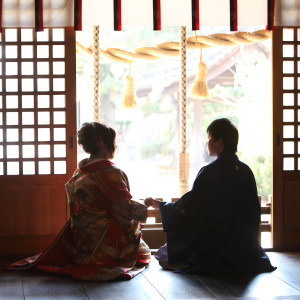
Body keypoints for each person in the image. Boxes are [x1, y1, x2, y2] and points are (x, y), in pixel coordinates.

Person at [8, 122, 151, 281]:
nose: (114, 146)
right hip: (102, 245)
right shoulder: (109, 173)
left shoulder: (81, 169)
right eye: (113, 142)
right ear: (102, 144)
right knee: (144, 253)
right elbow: (126, 209)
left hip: (81, 241)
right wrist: (145, 205)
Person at [145, 118, 276, 274]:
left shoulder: (210, 172)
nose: (206, 142)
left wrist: (161, 206)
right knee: (168, 254)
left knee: (163, 255)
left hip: (215, 251)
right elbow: (253, 213)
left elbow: (189, 208)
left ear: (219, 142)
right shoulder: (246, 171)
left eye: (208, 138)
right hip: (246, 252)